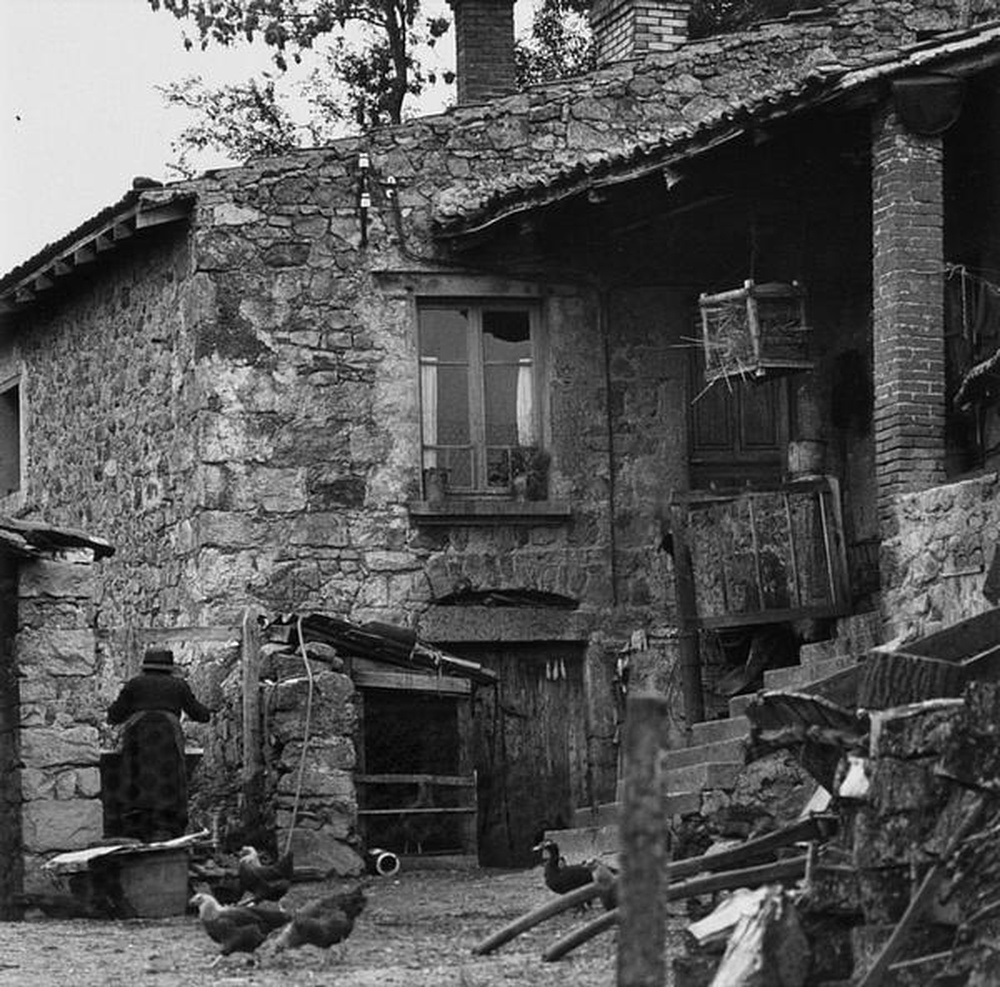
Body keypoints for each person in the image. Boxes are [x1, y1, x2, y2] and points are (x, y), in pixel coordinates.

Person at [107, 648, 212, 842]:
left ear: (146, 667)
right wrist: (208, 710)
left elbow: (114, 715)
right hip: (167, 738)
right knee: (167, 779)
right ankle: (165, 827)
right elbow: (199, 713)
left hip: (137, 737)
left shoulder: (134, 684)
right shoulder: (179, 685)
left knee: (136, 776)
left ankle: (137, 825)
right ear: (169, 668)